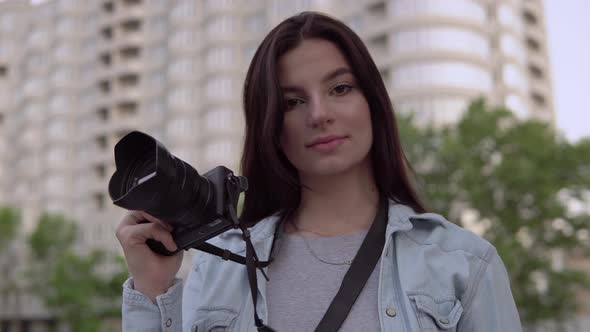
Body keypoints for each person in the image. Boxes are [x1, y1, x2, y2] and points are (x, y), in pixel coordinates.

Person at [116, 11, 522, 332]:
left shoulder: (464, 264)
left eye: (340, 88)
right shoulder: (221, 268)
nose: (319, 114)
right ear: (270, 127)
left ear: (373, 103)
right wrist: (152, 289)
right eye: (292, 102)